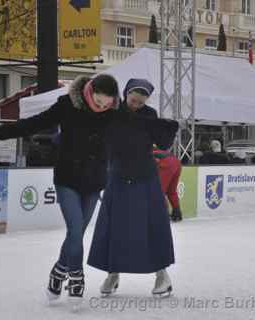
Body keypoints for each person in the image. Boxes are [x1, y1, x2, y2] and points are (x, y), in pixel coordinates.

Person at [0, 74, 120, 301]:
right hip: (67, 178)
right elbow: (33, 124)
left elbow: (135, 129)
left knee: (76, 234)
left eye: (106, 104)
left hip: (94, 181)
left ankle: (58, 270)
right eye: (98, 102)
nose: (101, 107)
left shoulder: (113, 115)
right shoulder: (67, 105)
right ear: (90, 91)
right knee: (76, 230)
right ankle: (76, 276)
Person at [87, 79, 179, 297]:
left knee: (152, 226)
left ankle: (162, 275)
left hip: (145, 177)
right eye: (133, 98)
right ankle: (112, 272)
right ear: (126, 94)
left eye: (141, 99)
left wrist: (170, 128)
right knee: (113, 226)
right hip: (118, 177)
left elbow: (163, 142)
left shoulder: (150, 114)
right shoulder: (113, 111)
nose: (137, 102)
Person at [153, 146, 183, 222]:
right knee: (171, 191)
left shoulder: (144, 153)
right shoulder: (155, 149)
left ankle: (163, 215)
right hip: (176, 162)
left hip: (166, 163)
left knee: (159, 191)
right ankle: (177, 213)